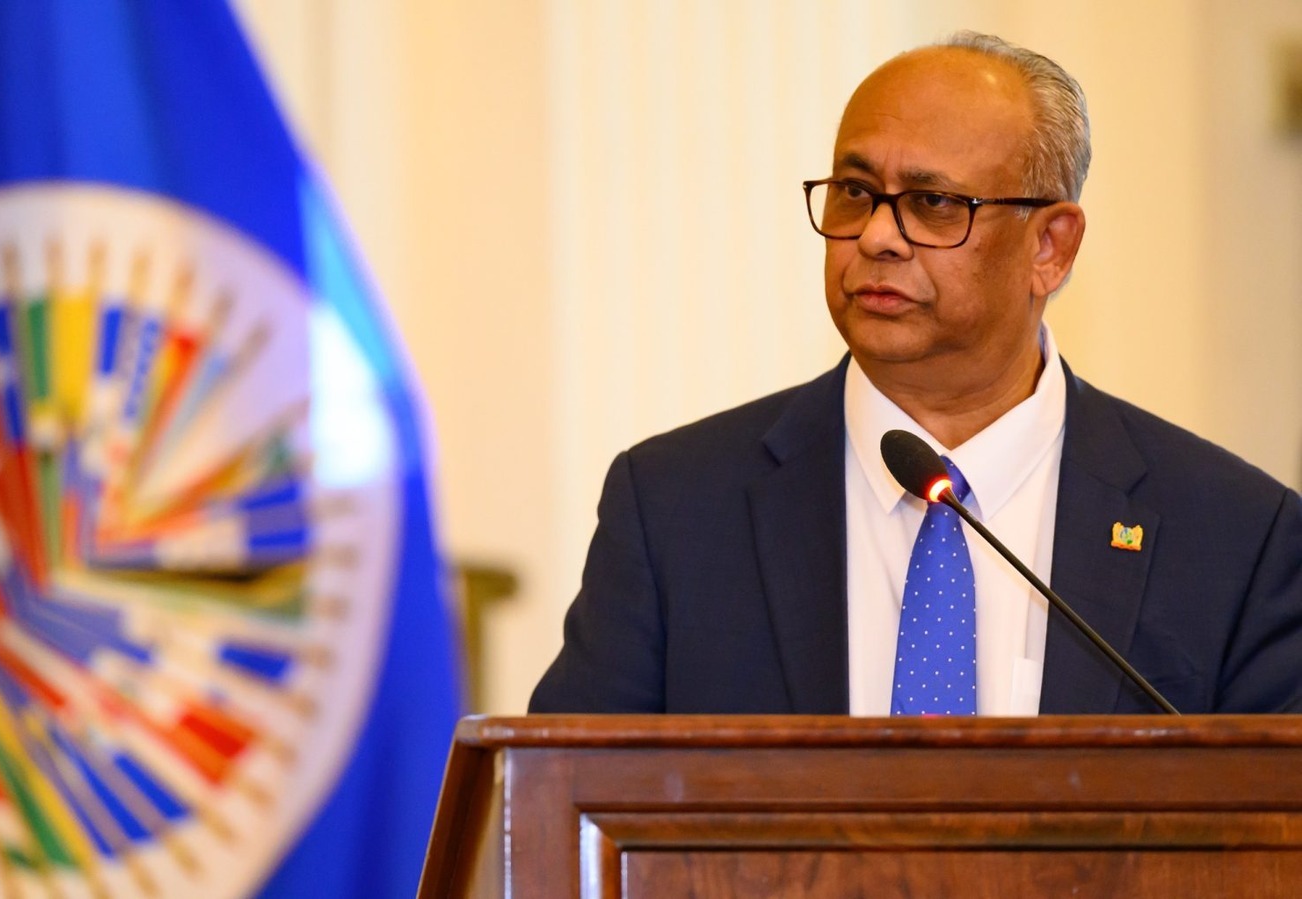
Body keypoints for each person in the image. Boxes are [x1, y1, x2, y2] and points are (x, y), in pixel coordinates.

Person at [528, 32, 1302, 716]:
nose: (876, 237)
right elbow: (556, 822)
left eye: (932, 203)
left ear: (1051, 248)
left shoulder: (1236, 539)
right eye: (856, 194)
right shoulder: (674, 511)